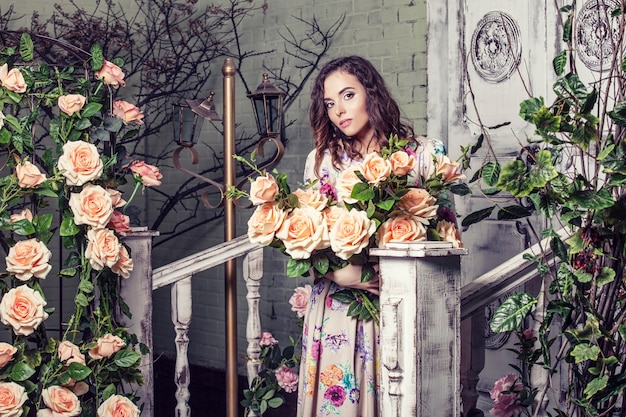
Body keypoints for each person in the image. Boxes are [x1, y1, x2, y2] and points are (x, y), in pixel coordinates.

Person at [297, 55, 446, 417]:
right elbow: (300, 243)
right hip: (337, 310)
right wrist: (340, 274)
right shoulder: (321, 162)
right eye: (329, 103)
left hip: (400, 303)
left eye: (348, 96)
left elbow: (445, 237)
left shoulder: (423, 155)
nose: (338, 111)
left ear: (372, 92)